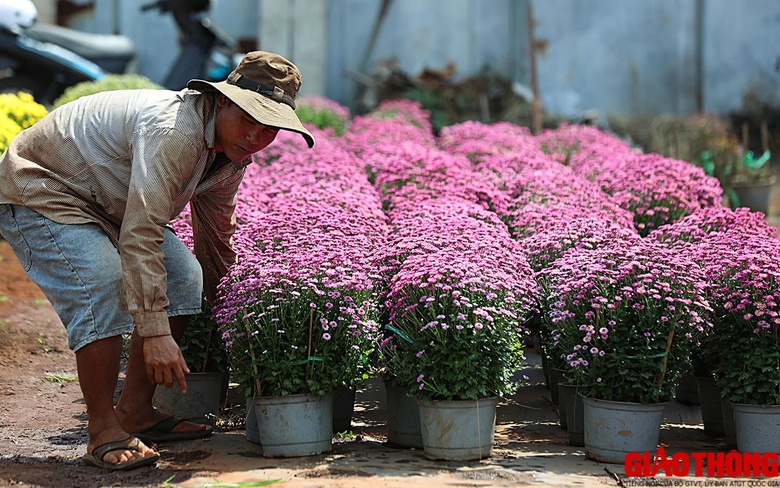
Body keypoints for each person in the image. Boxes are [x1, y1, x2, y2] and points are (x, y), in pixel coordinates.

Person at [0, 51, 314, 470]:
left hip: (111, 200)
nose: (254, 137)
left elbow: (215, 237)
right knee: (101, 284)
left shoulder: (231, 157)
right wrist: (156, 332)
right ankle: (103, 430)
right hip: (45, 187)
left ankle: (135, 412)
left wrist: (232, 319)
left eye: (268, 128)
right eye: (247, 120)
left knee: (185, 276)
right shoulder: (176, 131)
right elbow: (141, 231)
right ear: (222, 100)